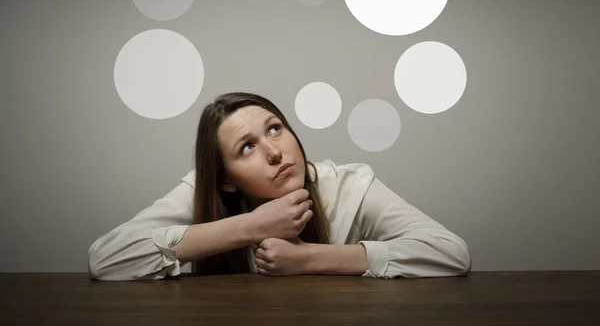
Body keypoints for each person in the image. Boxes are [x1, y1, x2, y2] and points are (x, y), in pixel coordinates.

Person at [88, 92, 471, 281]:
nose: (275, 151)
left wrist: (308, 259)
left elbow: (451, 253)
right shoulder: (201, 190)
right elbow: (106, 258)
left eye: (275, 128)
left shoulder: (347, 184)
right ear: (225, 178)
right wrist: (253, 226)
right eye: (248, 147)